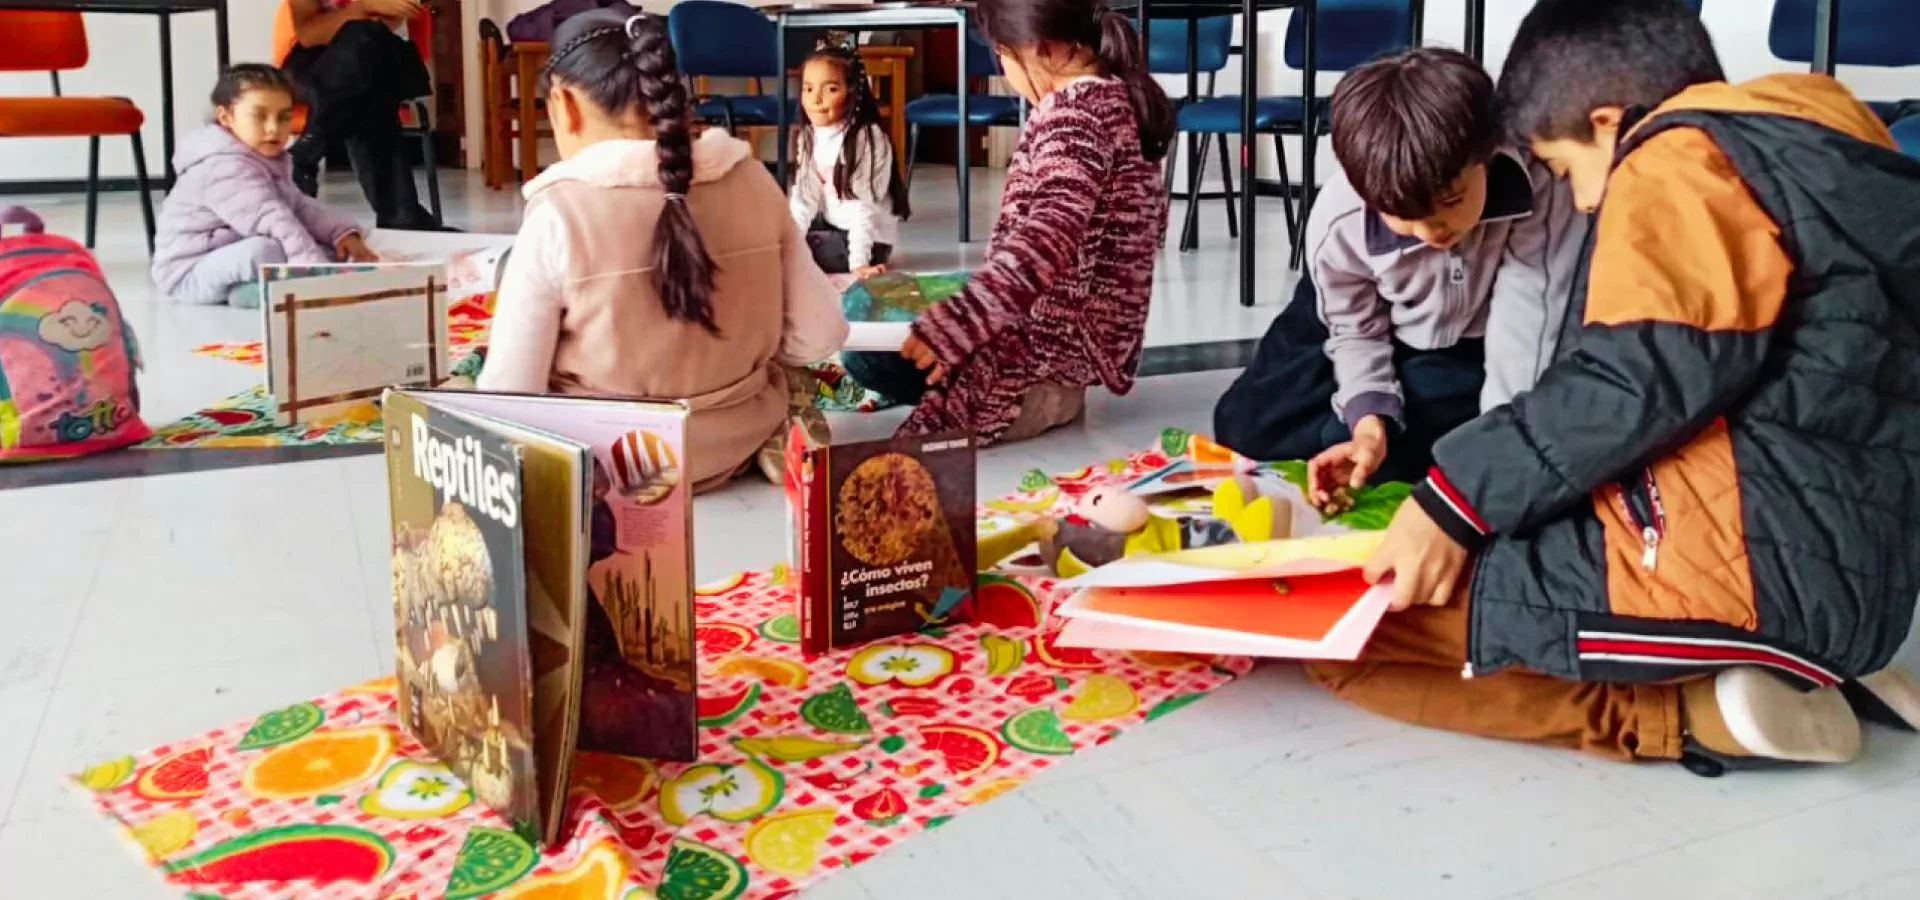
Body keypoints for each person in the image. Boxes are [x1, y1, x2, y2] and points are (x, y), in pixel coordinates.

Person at [1318, 0, 1920, 774]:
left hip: (1761, 574)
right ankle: (1816, 666)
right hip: (1857, 562)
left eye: (1567, 170)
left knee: (1346, 634)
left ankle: (1689, 715)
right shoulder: (1815, 126)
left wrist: (1454, 503)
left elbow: (1641, 372)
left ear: (1608, 124)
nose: (1586, 199)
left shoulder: (1675, 161)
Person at [475, 10, 847, 492]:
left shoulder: (559, 214)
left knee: (463, 391)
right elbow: (822, 334)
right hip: (736, 436)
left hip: (614, 464)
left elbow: (510, 396)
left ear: (563, 104)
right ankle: (778, 430)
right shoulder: (750, 177)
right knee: (783, 373)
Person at [1212, 47, 1587, 490]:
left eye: (1451, 202)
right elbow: (1355, 331)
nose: (1430, 231)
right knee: (1245, 426)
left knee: (1451, 437)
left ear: (1484, 157)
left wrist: (1500, 447)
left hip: (1470, 334)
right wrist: (1368, 420)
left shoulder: (1538, 186)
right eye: (1401, 214)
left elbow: (1529, 323)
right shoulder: (1341, 218)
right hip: (1358, 309)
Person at [839, 0, 1173, 445]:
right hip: (1071, 325)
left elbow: (1048, 236)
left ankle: (1039, 393)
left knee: (866, 356)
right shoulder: (1114, 97)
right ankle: (1042, 383)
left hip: (1056, 339)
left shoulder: (1075, 116)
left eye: (1003, 56)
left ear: (1036, 47)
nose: (1006, 72)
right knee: (873, 301)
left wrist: (960, 322)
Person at [151, 64, 374, 309]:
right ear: (226, 118)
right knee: (267, 249)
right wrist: (317, 279)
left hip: (228, 252)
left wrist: (340, 232)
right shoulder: (223, 167)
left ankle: (251, 289)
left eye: (284, 117)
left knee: (327, 247)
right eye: (259, 116)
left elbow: (297, 205)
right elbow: (275, 220)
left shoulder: (264, 156)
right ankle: (262, 291)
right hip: (189, 272)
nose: (273, 128)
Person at [284, 0, 442, 229]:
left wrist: (357, 14)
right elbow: (309, 34)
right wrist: (365, 6)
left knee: (366, 45)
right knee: (366, 74)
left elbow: (387, 20)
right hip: (315, 66)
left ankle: (306, 153)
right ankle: (403, 216)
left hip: (379, 55)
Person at [790, 43, 911, 277]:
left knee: (794, 254)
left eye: (831, 89)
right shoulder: (809, 136)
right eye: (808, 89)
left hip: (867, 241)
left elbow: (862, 207)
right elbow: (805, 198)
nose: (816, 99)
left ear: (852, 93)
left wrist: (859, 263)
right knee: (777, 236)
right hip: (832, 224)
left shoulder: (867, 139)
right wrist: (788, 241)